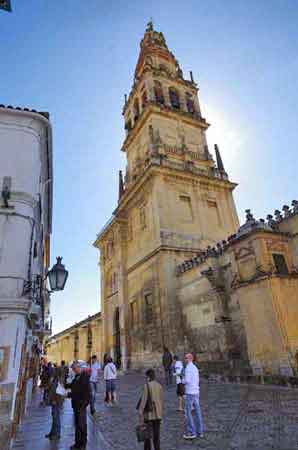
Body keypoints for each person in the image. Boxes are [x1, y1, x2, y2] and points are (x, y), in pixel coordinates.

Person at [67, 361, 91, 450]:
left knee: (82, 426)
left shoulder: (84, 377)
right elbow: (73, 386)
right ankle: (77, 444)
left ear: (78, 367)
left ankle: (83, 445)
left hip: (81, 405)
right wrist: (64, 386)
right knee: (77, 425)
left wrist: (69, 395)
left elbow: (82, 392)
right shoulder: (77, 376)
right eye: (73, 369)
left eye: (74, 369)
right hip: (76, 405)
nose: (73, 371)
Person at [137, 368, 164, 450]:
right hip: (158, 415)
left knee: (147, 436)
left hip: (149, 415)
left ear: (148, 377)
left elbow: (144, 401)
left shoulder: (146, 386)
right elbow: (161, 401)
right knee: (156, 436)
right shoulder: (159, 386)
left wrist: (140, 413)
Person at [183, 353, 204, 440]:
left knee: (188, 412)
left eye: (186, 358)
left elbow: (187, 380)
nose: (185, 359)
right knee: (197, 412)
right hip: (196, 391)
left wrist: (182, 380)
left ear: (190, 359)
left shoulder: (188, 368)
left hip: (190, 392)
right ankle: (200, 431)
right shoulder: (195, 367)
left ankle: (192, 432)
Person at [45, 367, 64, 441]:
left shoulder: (59, 380)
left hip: (56, 402)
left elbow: (59, 392)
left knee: (56, 418)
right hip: (54, 401)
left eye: (54, 371)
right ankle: (52, 433)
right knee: (54, 417)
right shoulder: (55, 379)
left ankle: (57, 434)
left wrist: (55, 400)